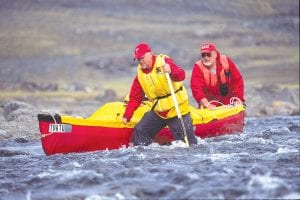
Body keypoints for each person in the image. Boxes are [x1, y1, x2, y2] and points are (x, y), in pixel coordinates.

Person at [122, 42, 197, 146]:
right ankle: (145, 156)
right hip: (159, 112)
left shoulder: (164, 62)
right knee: (141, 130)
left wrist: (171, 71)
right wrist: (127, 115)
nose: (140, 61)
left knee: (189, 144)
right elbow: (135, 97)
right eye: (138, 59)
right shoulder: (140, 74)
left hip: (176, 109)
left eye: (142, 58)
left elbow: (181, 75)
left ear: (150, 54)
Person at [190, 42, 245, 109]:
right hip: (209, 105)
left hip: (230, 103)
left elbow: (238, 80)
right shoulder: (198, 67)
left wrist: (238, 99)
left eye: (208, 54)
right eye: (203, 55)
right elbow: (196, 89)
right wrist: (207, 104)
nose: (206, 57)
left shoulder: (226, 61)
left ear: (215, 54)